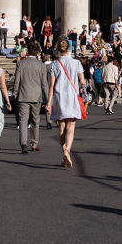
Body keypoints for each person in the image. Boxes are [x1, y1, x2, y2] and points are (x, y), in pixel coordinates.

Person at [47, 39, 85, 167]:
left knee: (61, 128)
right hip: (72, 97)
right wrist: (77, 87)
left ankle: (64, 153)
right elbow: (82, 81)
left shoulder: (55, 64)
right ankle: (67, 150)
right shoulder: (76, 63)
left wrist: (48, 102)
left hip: (59, 98)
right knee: (71, 127)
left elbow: (51, 86)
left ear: (58, 49)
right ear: (69, 48)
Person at [12, 44, 50, 153]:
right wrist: (48, 99)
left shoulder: (21, 64)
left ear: (27, 51)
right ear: (37, 53)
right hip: (36, 97)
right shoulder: (41, 65)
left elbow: (17, 81)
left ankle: (23, 143)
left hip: (23, 96)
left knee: (23, 121)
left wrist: (15, 93)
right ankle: (34, 143)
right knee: (35, 120)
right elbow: (44, 84)